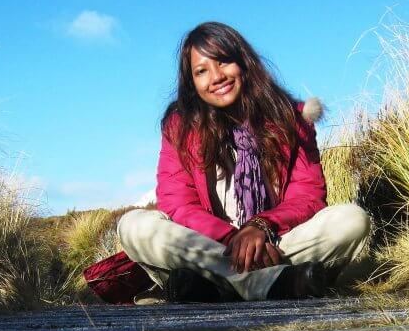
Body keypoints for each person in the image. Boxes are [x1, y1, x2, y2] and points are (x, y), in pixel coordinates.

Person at [117, 21, 372, 303]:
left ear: (243, 62)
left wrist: (261, 227)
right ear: (192, 83)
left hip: (276, 241)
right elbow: (178, 204)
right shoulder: (180, 126)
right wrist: (231, 239)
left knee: (352, 220)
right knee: (133, 226)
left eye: (223, 61)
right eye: (201, 71)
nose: (216, 77)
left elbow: (308, 196)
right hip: (211, 245)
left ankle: (219, 284)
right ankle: (264, 282)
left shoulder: (291, 119)